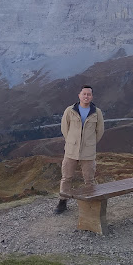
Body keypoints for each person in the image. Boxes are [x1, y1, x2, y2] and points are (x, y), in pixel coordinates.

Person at [54, 84, 105, 214]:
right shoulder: (70, 110)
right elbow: (64, 128)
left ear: (92, 96)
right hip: (71, 151)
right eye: (84, 94)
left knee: (89, 179)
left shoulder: (97, 112)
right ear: (79, 95)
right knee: (66, 177)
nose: (86, 96)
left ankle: (90, 202)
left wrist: (90, 143)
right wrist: (72, 141)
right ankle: (62, 201)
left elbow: (100, 131)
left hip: (88, 152)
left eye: (89, 94)